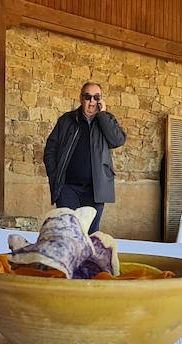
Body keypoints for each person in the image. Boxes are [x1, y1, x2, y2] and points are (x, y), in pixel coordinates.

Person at [42, 82, 127, 234]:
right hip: (67, 188)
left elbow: (117, 140)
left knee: (91, 234)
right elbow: (50, 149)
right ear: (81, 98)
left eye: (96, 97)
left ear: (101, 100)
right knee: (67, 232)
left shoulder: (107, 120)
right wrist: (54, 176)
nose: (92, 101)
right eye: (88, 96)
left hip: (95, 189)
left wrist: (103, 115)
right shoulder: (67, 120)